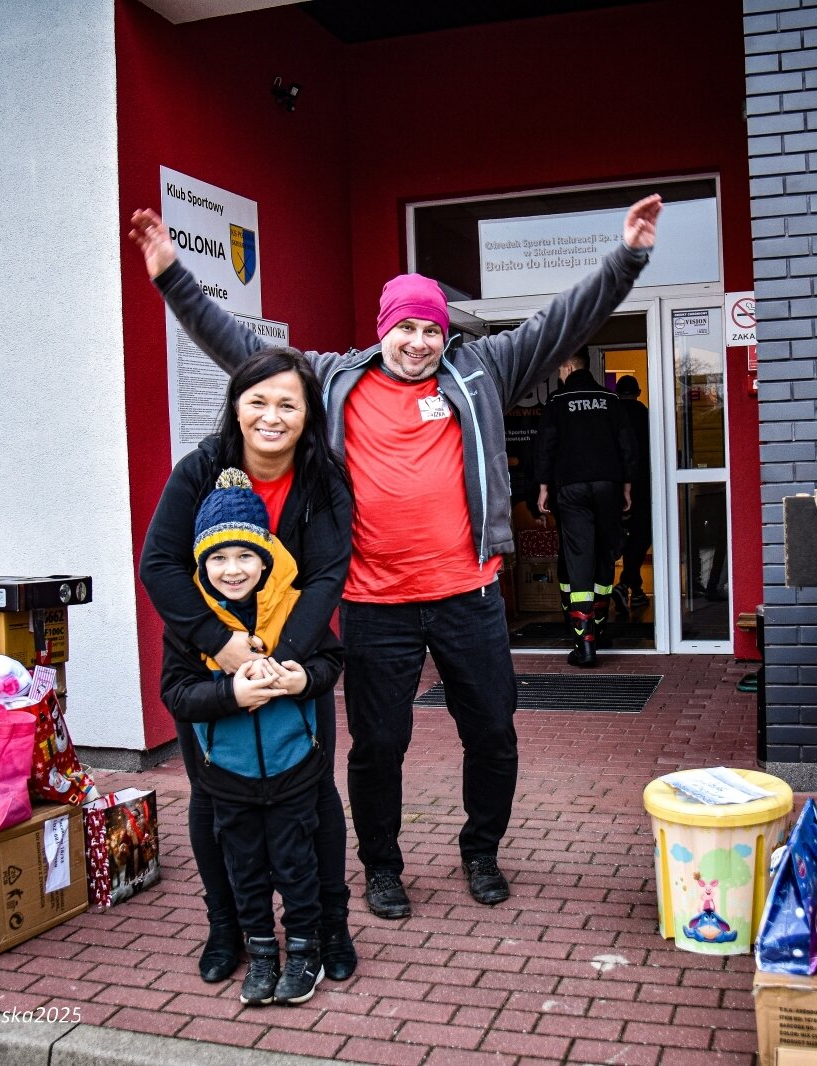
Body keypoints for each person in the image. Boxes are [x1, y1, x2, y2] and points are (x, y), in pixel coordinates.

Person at [129, 193, 660, 918]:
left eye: (431, 329)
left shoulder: (483, 371)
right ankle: (382, 866)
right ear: (384, 330)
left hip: (468, 596)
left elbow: (564, 318)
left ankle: (481, 851)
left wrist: (626, 257)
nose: (419, 342)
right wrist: (171, 277)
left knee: (493, 734)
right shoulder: (335, 381)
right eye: (406, 327)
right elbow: (243, 354)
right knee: (378, 748)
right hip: (375, 604)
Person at [138, 348, 356, 984]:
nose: (272, 415)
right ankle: (226, 927)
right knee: (214, 796)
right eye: (258, 400)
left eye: (288, 403)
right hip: (208, 657)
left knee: (313, 794)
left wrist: (282, 664)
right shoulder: (200, 469)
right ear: (236, 405)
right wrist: (220, 642)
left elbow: (325, 576)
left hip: (295, 654)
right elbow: (160, 565)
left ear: (308, 412)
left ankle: (329, 926)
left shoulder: (324, 477)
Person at [161, 468, 342, 1006]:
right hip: (228, 775)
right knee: (244, 869)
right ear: (200, 565)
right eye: (217, 558)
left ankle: (306, 949)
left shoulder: (294, 609)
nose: (232, 569)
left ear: (266, 559)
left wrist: (302, 679)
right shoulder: (193, 623)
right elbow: (177, 693)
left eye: (244, 556)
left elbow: (331, 661)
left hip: (292, 769)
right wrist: (228, 697)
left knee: (296, 864)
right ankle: (261, 952)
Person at [534, 352, 638, 667]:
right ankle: (601, 628)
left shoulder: (557, 401)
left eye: (560, 369)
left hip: (572, 487)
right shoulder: (610, 399)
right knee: (605, 553)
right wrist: (627, 485)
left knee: (579, 558)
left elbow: (545, 445)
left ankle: (585, 642)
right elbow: (627, 445)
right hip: (608, 484)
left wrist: (542, 486)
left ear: (568, 366)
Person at [612, 375, 652, 611]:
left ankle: (632, 587)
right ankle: (628, 584)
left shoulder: (612, 414)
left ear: (617, 394)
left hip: (614, 487)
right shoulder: (645, 415)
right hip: (642, 485)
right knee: (641, 536)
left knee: (622, 538)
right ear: (637, 392)